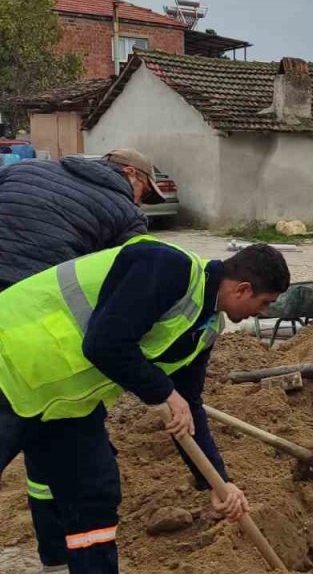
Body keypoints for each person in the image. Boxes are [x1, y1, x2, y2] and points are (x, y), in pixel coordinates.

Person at [0, 238, 290, 573]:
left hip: (64, 401)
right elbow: (104, 343)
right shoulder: (166, 266)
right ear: (243, 289)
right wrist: (162, 391)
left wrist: (217, 483)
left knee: (95, 496)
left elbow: (189, 406)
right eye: (265, 302)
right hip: (10, 367)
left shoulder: (204, 327)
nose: (263, 312)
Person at [0, 147, 164, 573]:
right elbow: (137, 285)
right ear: (130, 174)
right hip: (32, 333)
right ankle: (59, 557)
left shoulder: (28, 171)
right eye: (145, 189)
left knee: (46, 445)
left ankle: (54, 557)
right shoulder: (126, 215)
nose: (142, 201)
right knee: (66, 446)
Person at [0, 148, 164, 291]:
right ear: (130, 173)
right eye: (146, 193)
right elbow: (133, 271)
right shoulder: (130, 215)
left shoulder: (25, 167)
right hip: (32, 293)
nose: (140, 202)